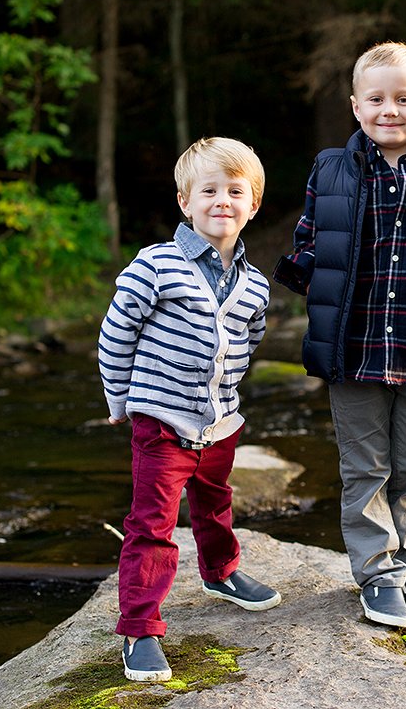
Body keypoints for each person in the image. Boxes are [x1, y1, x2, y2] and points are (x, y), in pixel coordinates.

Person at [274, 41, 406, 629]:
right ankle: (377, 575)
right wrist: (304, 270)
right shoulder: (332, 167)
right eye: (376, 99)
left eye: (403, 98)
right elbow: (310, 239)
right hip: (355, 347)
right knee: (365, 467)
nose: (389, 110)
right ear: (354, 105)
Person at [98, 137, 280, 682]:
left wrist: (228, 396)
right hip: (162, 418)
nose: (221, 200)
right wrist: (119, 398)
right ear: (185, 202)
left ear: (252, 205)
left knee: (215, 499)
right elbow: (116, 333)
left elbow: (250, 340)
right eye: (208, 191)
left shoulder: (254, 284)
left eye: (234, 191)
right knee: (152, 524)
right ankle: (139, 628)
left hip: (221, 419)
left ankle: (220, 572)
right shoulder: (156, 264)